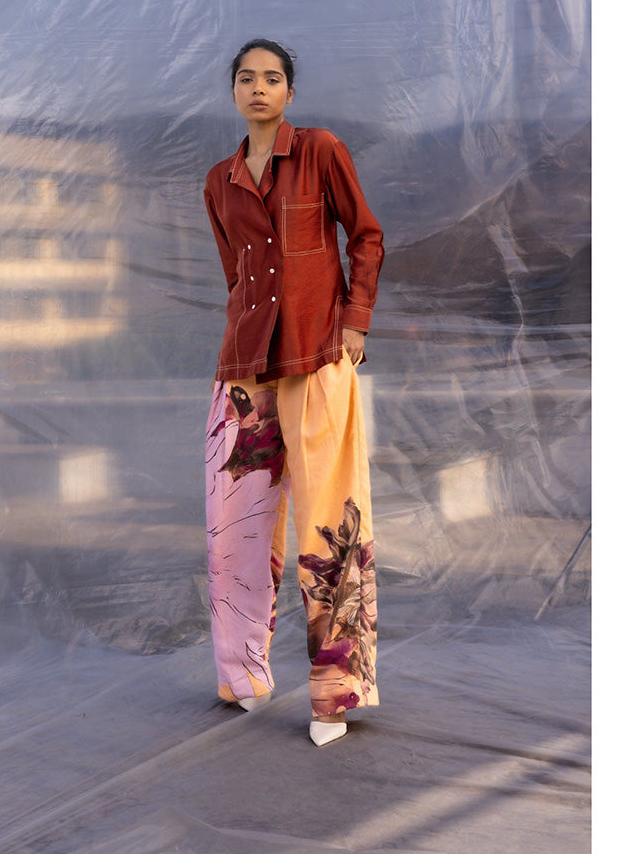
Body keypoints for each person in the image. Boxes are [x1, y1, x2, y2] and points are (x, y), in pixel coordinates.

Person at [203, 38, 385, 745]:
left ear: (289, 92)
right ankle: (242, 677)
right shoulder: (219, 182)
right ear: (233, 90)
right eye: (247, 78)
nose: (259, 88)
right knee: (235, 532)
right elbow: (236, 275)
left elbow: (365, 237)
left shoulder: (320, 151)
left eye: (272, 78)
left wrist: (355, 321)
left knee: (328, 526)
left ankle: (334, 695)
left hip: (317, 358)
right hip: (245, 372)